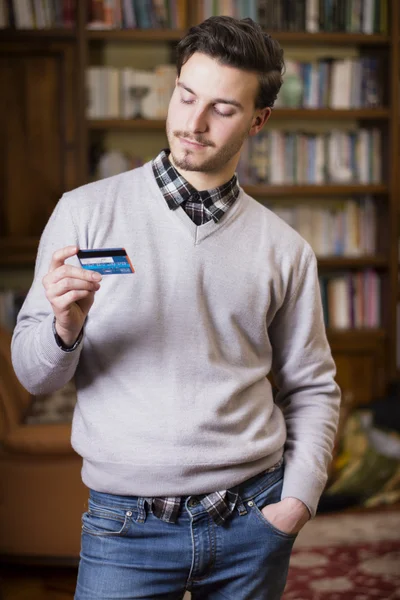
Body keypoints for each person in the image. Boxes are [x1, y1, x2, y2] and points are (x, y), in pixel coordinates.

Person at [11, 16, 341, 600]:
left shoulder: (286, 249)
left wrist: (296, 503)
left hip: (252, 520)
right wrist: (64, 327)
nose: (193, 123)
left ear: (259, 120)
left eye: (223, 108)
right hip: (124, 527)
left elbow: (312, 388)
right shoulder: (83, 213)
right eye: (186, 96)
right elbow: (34, 375)